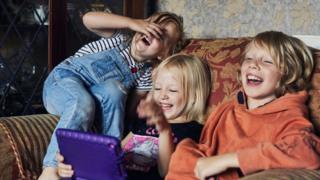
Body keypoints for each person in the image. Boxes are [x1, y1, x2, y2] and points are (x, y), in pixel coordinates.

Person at [39, 11, 183, 180]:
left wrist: (158, 70)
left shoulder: (145, 75)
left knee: (116, 90)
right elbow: (88, 19)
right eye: (151, 25)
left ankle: (107, 164)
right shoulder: (119, 39)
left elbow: (127, 111)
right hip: (62, 82)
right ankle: (50, 168)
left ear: (163, 54)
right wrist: (131, 22)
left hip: (94, 100)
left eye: (161, 35)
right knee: (83, 101)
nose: (152, 32)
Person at [166, 31, 320, 180]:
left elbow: (306, 152)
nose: (254, 65)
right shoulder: (226, 109)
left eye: (267, 61)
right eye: (249, 59)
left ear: (288, 73)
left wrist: (231, 160)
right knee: (184, 149)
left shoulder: (288, 115)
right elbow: (205, 149)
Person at [56, 54, 212, 180]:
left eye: (172, 90)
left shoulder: (194, 131)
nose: (162, 95)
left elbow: (166, 173)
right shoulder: (144, 121)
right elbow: (116, 152)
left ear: (194, 95)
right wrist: (79, 160)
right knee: (70, 170)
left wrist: (164, 129)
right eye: (157, 88)